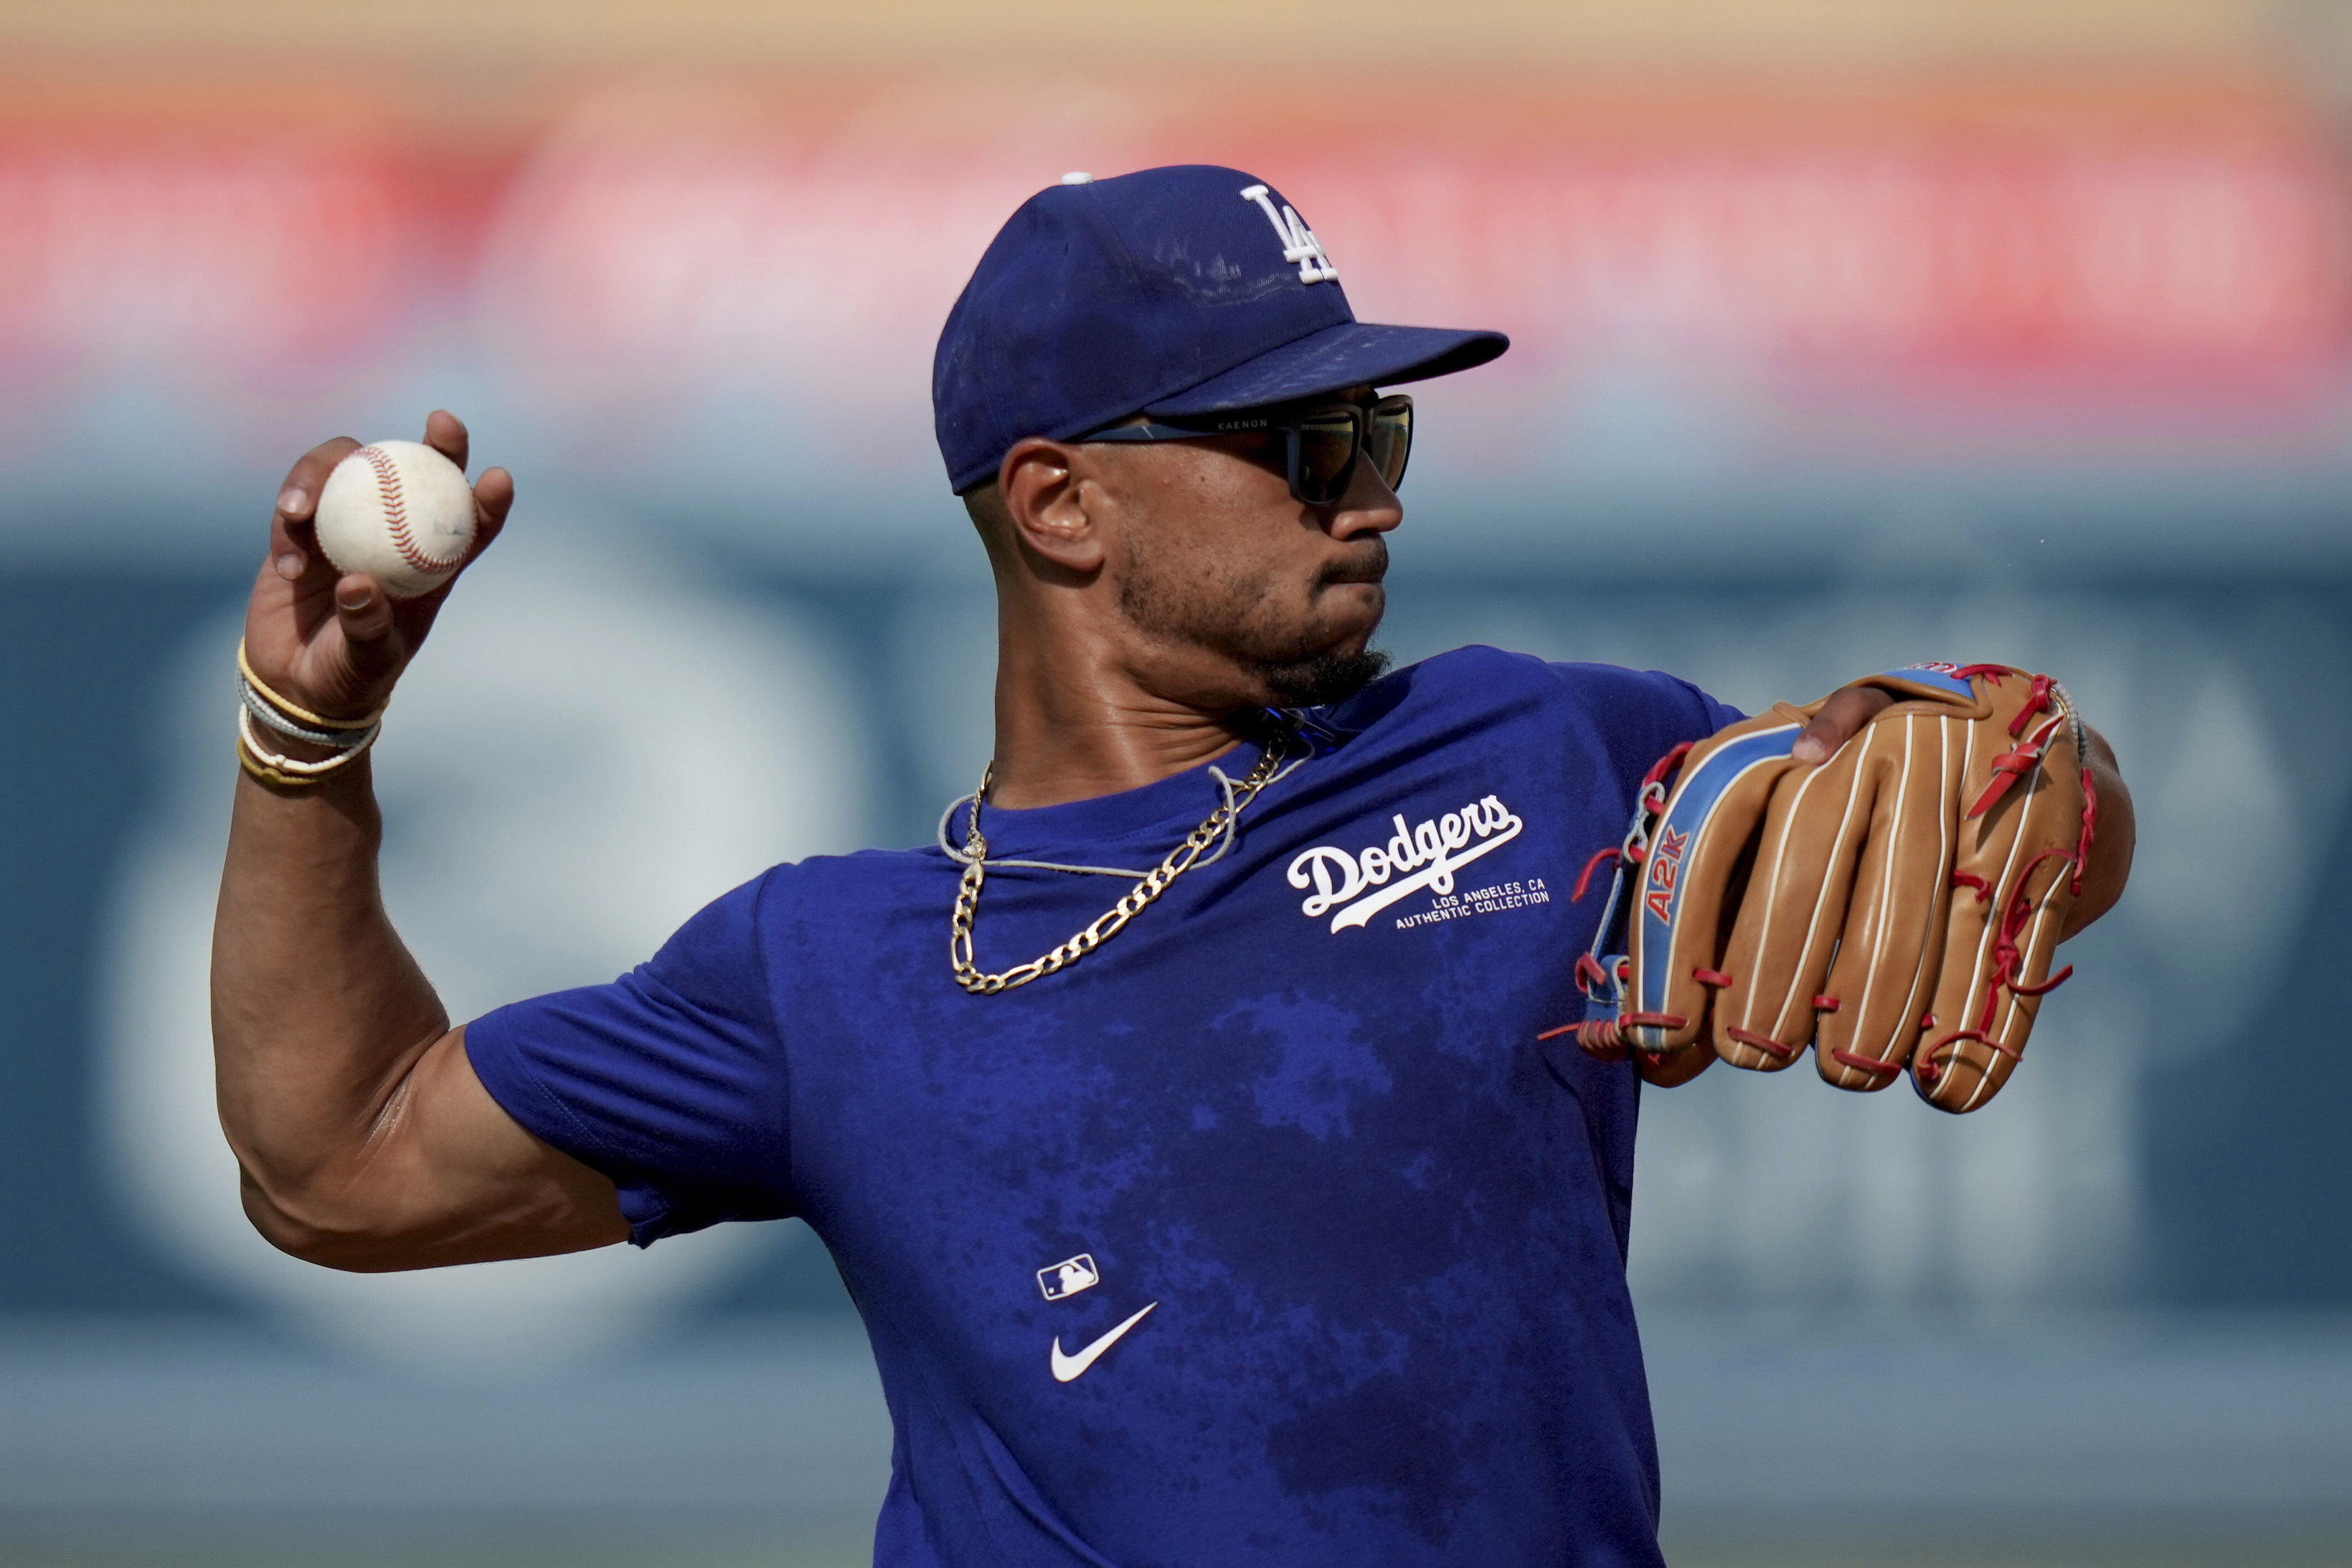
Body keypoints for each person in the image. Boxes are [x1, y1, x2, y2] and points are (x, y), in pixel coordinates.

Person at [213, 165, 2134, 1565]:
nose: (1371, 481)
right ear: (1061, 501)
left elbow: (2010, 812)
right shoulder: (834, 972)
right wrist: (305, 742)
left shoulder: (1539, 748)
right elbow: (337, 1157)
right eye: (1303, 435)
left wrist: (2045, 789)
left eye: (1378, 421)